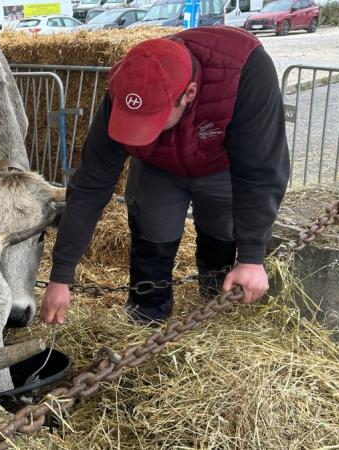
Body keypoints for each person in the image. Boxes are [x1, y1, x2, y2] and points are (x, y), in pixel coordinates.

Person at [40, 26, 290, 325]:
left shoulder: (244, 70)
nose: (138, 129)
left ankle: (216, 307)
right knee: (152, 234)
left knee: (221, 232)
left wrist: (251, 257)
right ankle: (146, 317)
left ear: (189, 94)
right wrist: (61, 276)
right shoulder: (126, 83)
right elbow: (90, 185)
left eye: (151, 120)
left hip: (219, 161)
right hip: (157, 165)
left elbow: (261, 169)